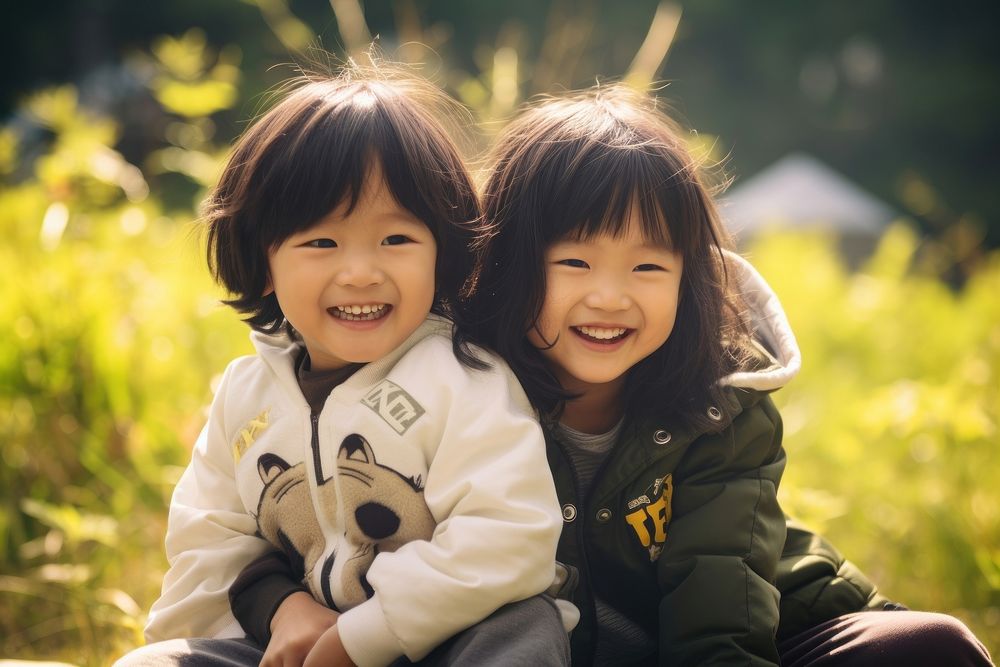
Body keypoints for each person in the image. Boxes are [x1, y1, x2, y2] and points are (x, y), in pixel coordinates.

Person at [464, 84, 994, 666]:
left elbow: (720, 614)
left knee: (933, 648)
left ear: (689, 277)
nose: (610, 297)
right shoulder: (455, 394)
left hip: (750, 636)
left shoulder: (720, 406)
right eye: (574, 262)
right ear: (506, 261)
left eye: (647, 266)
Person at [115, 63, 571, 667]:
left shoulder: (464, 379)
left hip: (448, 641)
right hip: (297, 647)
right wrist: (282, 611)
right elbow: (207, 544)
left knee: (522, 629)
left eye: (397, 240)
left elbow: (508, 538)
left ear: (444, 247)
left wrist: (362, 640)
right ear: (262, 258)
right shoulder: (245, 396)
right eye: (322, 243)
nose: (360, 272)